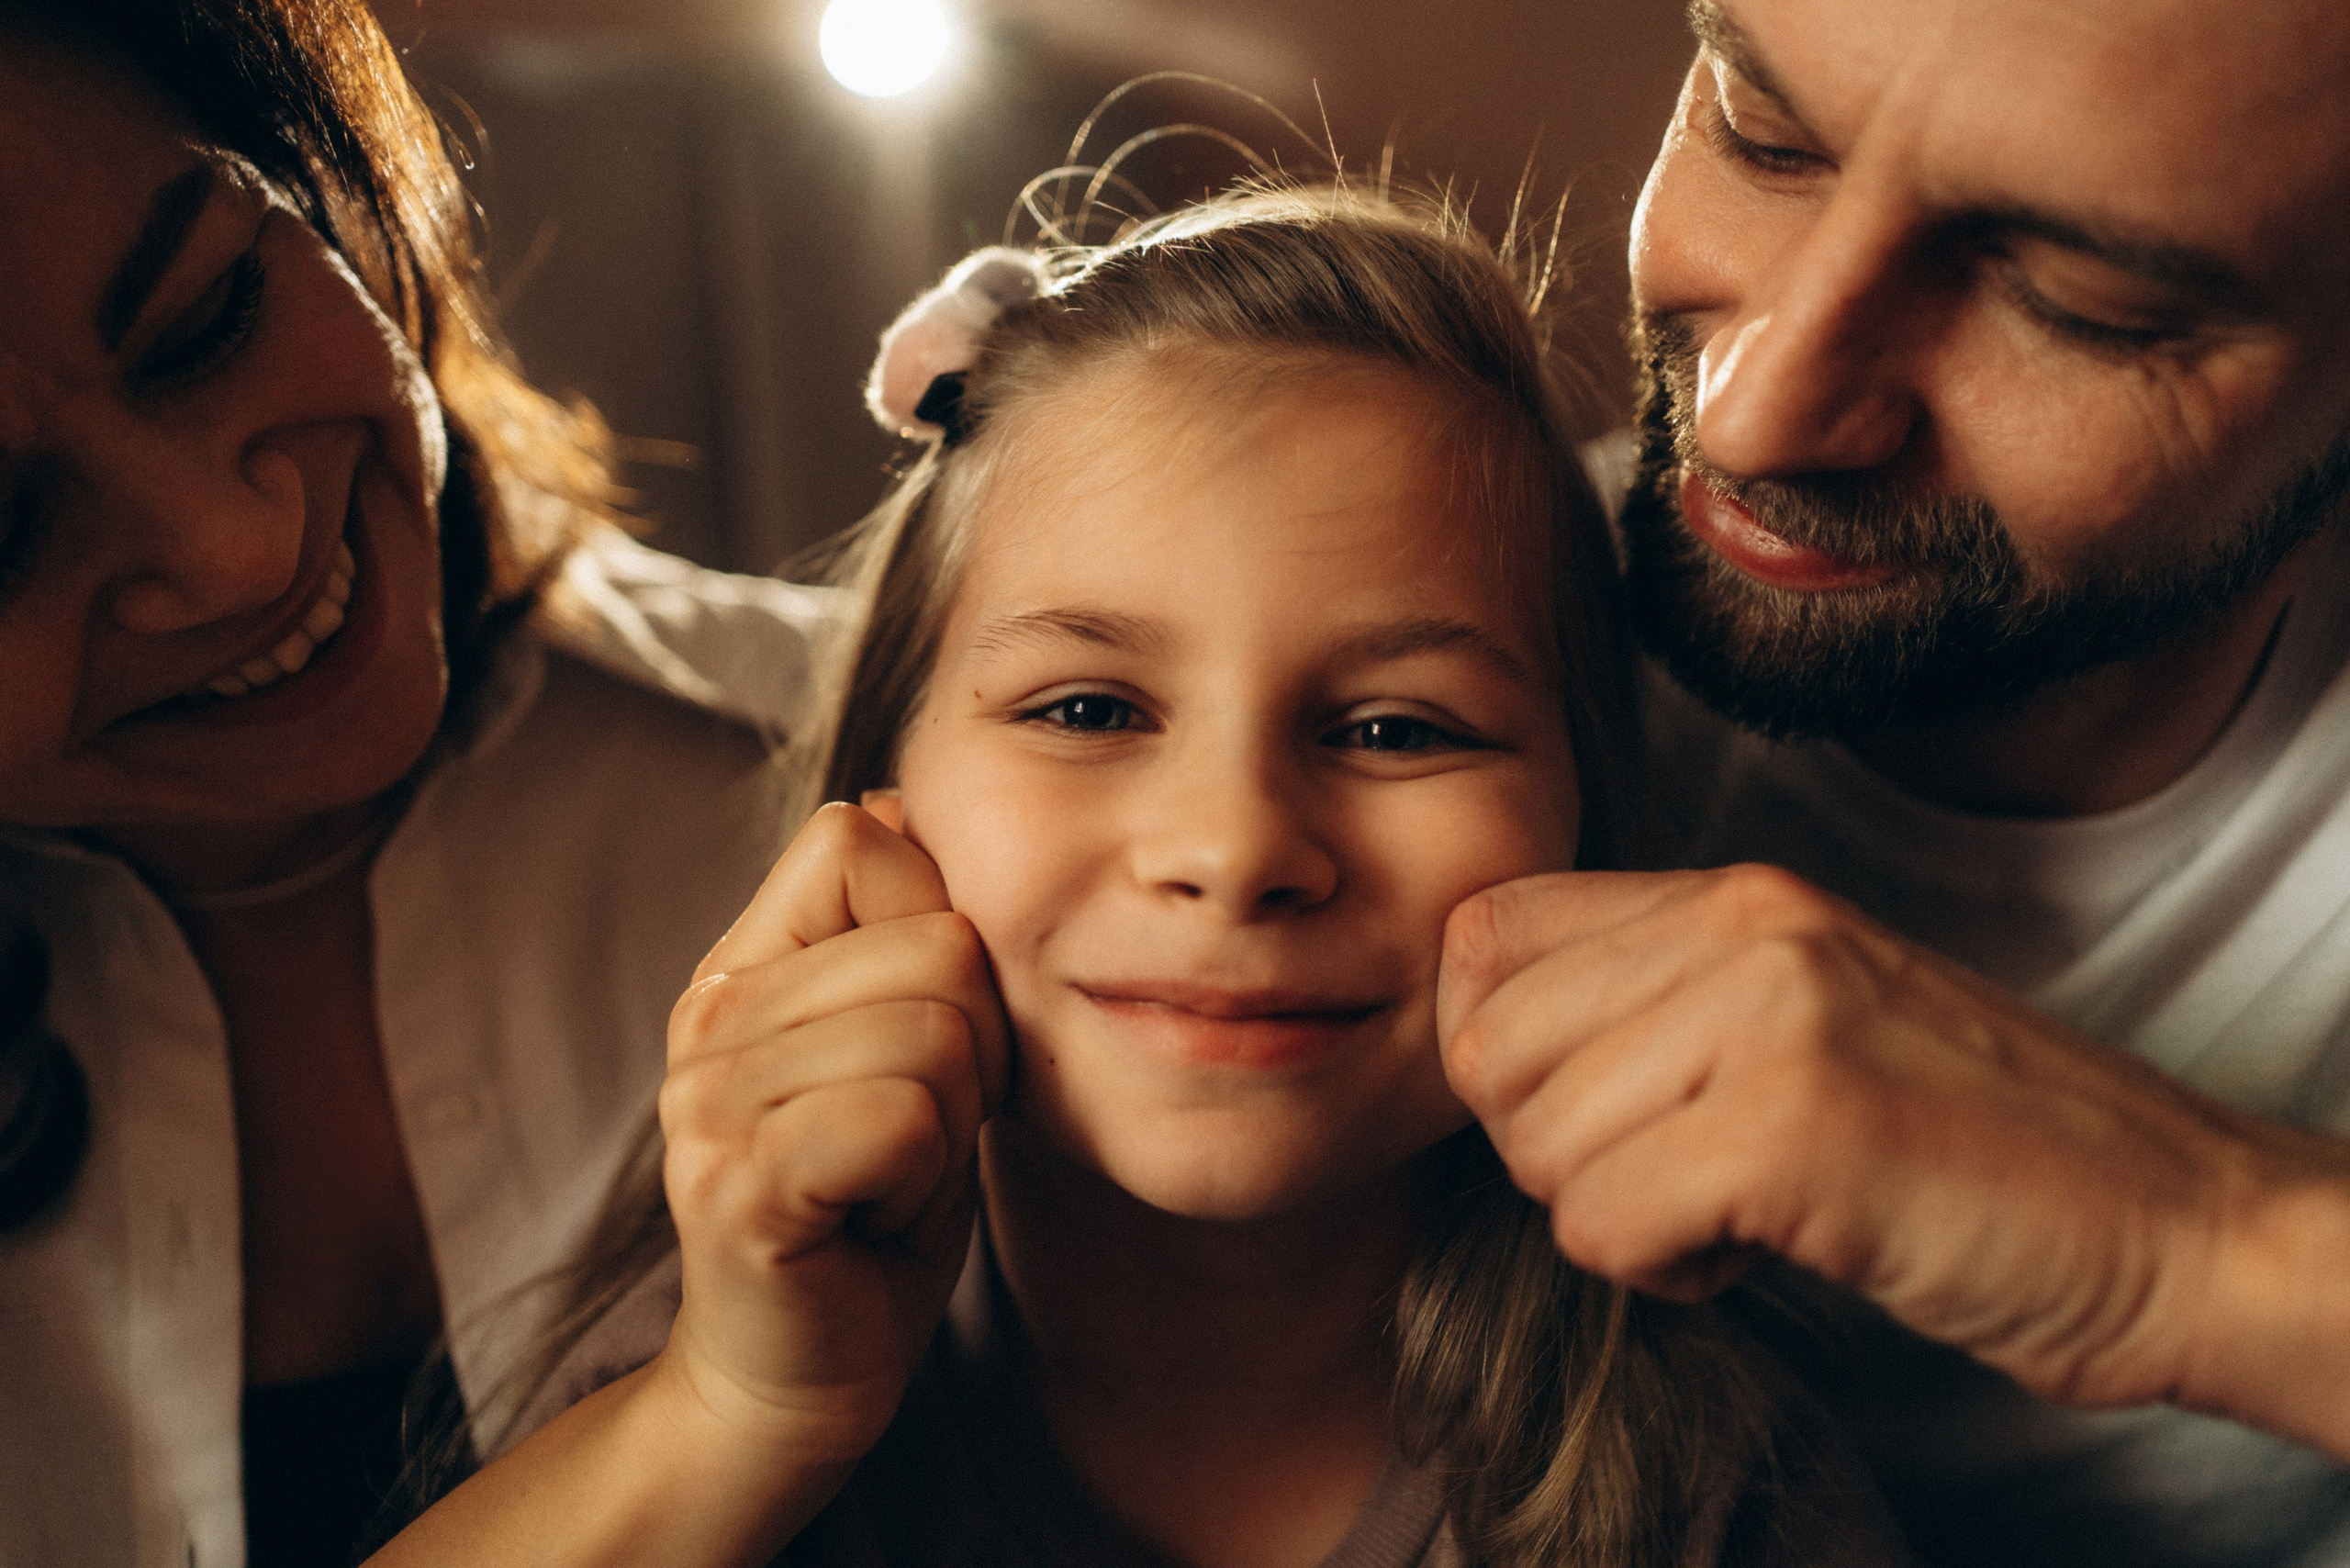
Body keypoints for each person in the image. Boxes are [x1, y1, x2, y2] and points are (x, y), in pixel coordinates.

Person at [369, 188, 1910, 1567]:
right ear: (878, 798)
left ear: (1586, 821)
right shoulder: (709, 1390)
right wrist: (740, 1406)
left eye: (1394, 728)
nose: (1234, 853)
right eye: (1088, 710)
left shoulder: (1705, 1486)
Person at [1431, 0, 2350, 1562]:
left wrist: (2196, 1247)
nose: (1753, 411)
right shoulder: (1391, 692)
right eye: (1758, 133)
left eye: (2084, 303)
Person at [0, 2, 831, 1564]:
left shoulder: (867, 754)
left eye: (207, 320)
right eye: (2, 540)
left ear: (332, 189)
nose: (238, 546)